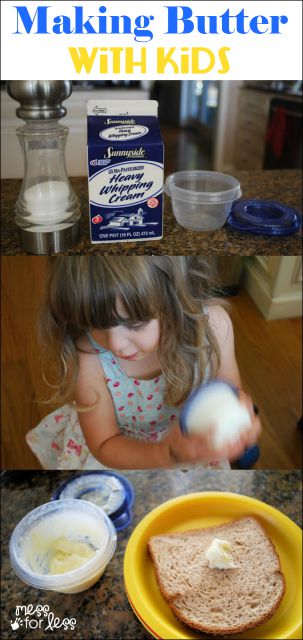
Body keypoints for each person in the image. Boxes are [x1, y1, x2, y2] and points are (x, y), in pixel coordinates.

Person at [26, 256, 261, 470]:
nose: (115, 344)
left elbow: (231, 392)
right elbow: (105, 443)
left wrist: (240, 420)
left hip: (191, 447)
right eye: (95, 325)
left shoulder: (214, 328)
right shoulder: (89, 359)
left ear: (176, 300)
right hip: (122, 454)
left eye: (135, 324)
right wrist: (166, 453)